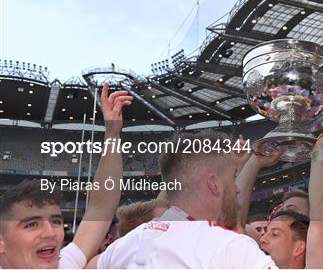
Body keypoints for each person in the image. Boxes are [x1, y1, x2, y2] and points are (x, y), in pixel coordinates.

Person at [95, 129, 277, 268]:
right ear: (214, 184)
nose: (236, 188)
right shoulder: (231, 247)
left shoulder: (121, 248)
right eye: (231, 178)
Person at [0, 83, 130, 269]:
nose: (49, 233)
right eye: (31, 224)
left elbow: (101, 207)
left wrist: (112, 133)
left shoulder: (66, 263)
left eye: (56, 221)